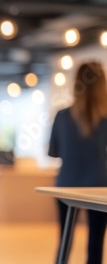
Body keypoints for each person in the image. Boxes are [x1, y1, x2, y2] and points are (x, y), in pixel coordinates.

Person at [48, 62, 107, 264]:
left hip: (66, 185)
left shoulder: (62, 116)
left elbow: (53, 152)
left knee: (64, 241)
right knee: (95, 244)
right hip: (99, 187)